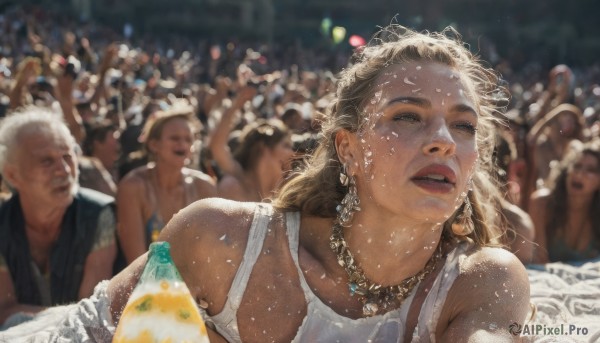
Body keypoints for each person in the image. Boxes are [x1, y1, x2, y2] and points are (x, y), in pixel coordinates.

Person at [108, 25, 530, 342]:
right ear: (347, 148)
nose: (442, 141)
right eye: (407, 116)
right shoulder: (220, 242)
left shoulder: (484, 281)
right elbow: (76, 331)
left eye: (463, 125)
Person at [0, 106, 116, 326]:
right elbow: (4, 311)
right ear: (12, 175)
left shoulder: (97, 214)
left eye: (67, 156)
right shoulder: (3, 222)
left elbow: (93, 312)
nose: (63, 169)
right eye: (46, 161)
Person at [116, 107, 217, 265]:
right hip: (144, 282)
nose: (182, 144)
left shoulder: (204, 186)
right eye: (175, 138)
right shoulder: (133, 187)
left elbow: (212, 252)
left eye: (188, 139)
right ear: (154, 144)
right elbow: (135, 263)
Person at [208, 86, 294, 202]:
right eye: (286, 145)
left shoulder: (284, 188)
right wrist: (236, 105)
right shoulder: (238, 177)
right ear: (263, 147)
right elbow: (217, 147)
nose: (292, 152)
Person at [529, 139, 600, 263]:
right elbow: (539, 262)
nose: (579, 173)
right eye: (576, 166)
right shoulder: (543, 204)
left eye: (591, 170)